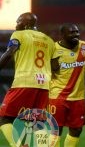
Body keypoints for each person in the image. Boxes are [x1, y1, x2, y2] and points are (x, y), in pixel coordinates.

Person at [0, 12, 55, 147]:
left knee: (4, 118)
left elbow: (9, 52)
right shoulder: (49, 40)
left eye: (18, 22)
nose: (16, 25)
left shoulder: (19, 34)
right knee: (34, 122)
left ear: (25, 23)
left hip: (24, 82)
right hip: (44, 86)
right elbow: (55, 65)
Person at [48, 23, 85, 147]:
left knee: (77, 130)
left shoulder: (84, 46)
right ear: (62, 35)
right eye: (72, 32)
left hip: (78, 97)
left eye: (77, 32)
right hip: (57, 96)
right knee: (55, 130)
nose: (76, 35)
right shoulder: (53, 49)